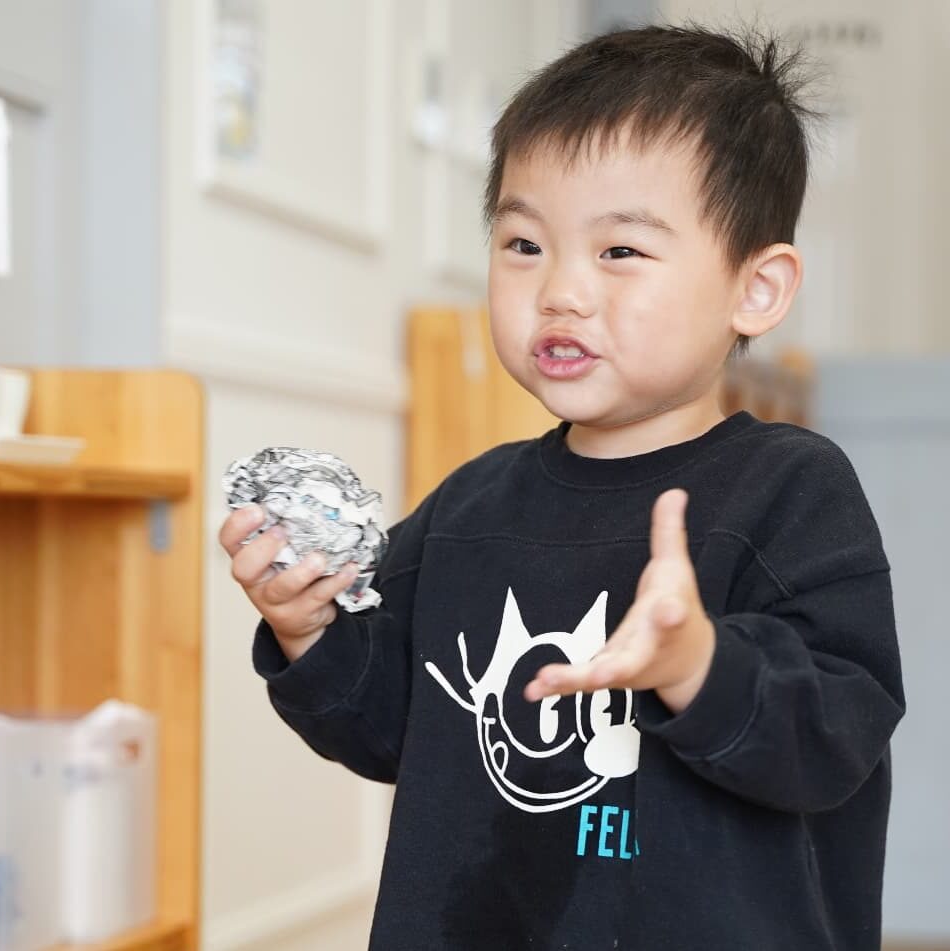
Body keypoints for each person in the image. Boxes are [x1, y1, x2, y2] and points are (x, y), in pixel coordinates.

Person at [219, 24, 904, 951]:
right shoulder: (469, 508)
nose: (560, 292)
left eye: (619, 251)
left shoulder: (790, 491)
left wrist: (699, 664)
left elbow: (835, 738)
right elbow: (387, 731)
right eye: (523, 243)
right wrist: (308, 632)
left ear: (755, 288)